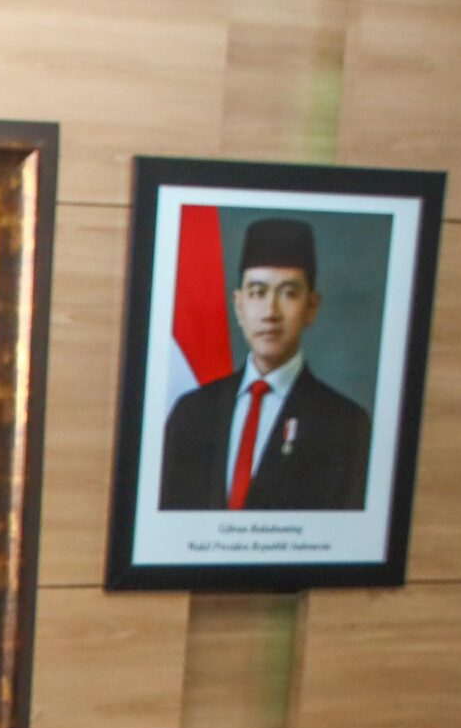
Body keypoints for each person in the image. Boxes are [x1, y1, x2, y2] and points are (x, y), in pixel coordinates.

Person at [158, 217, 372, 512]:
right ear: (239, 305)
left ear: (311, 307)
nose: (270, 312)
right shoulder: (191, 412)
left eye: (288, 293)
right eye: (257, 292)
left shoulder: (345, 425)